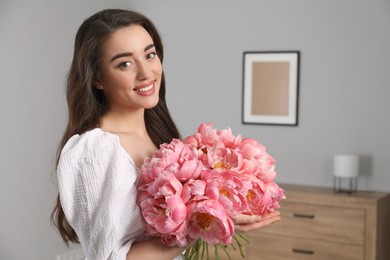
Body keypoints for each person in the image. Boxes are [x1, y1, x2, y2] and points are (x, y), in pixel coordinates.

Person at [51, 8, 281, 260]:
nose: (146, 73)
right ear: (98, 79)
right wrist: (206, 223)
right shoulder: (96, 149)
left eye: (150, 55)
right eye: (125, 63)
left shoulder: (159, 134)